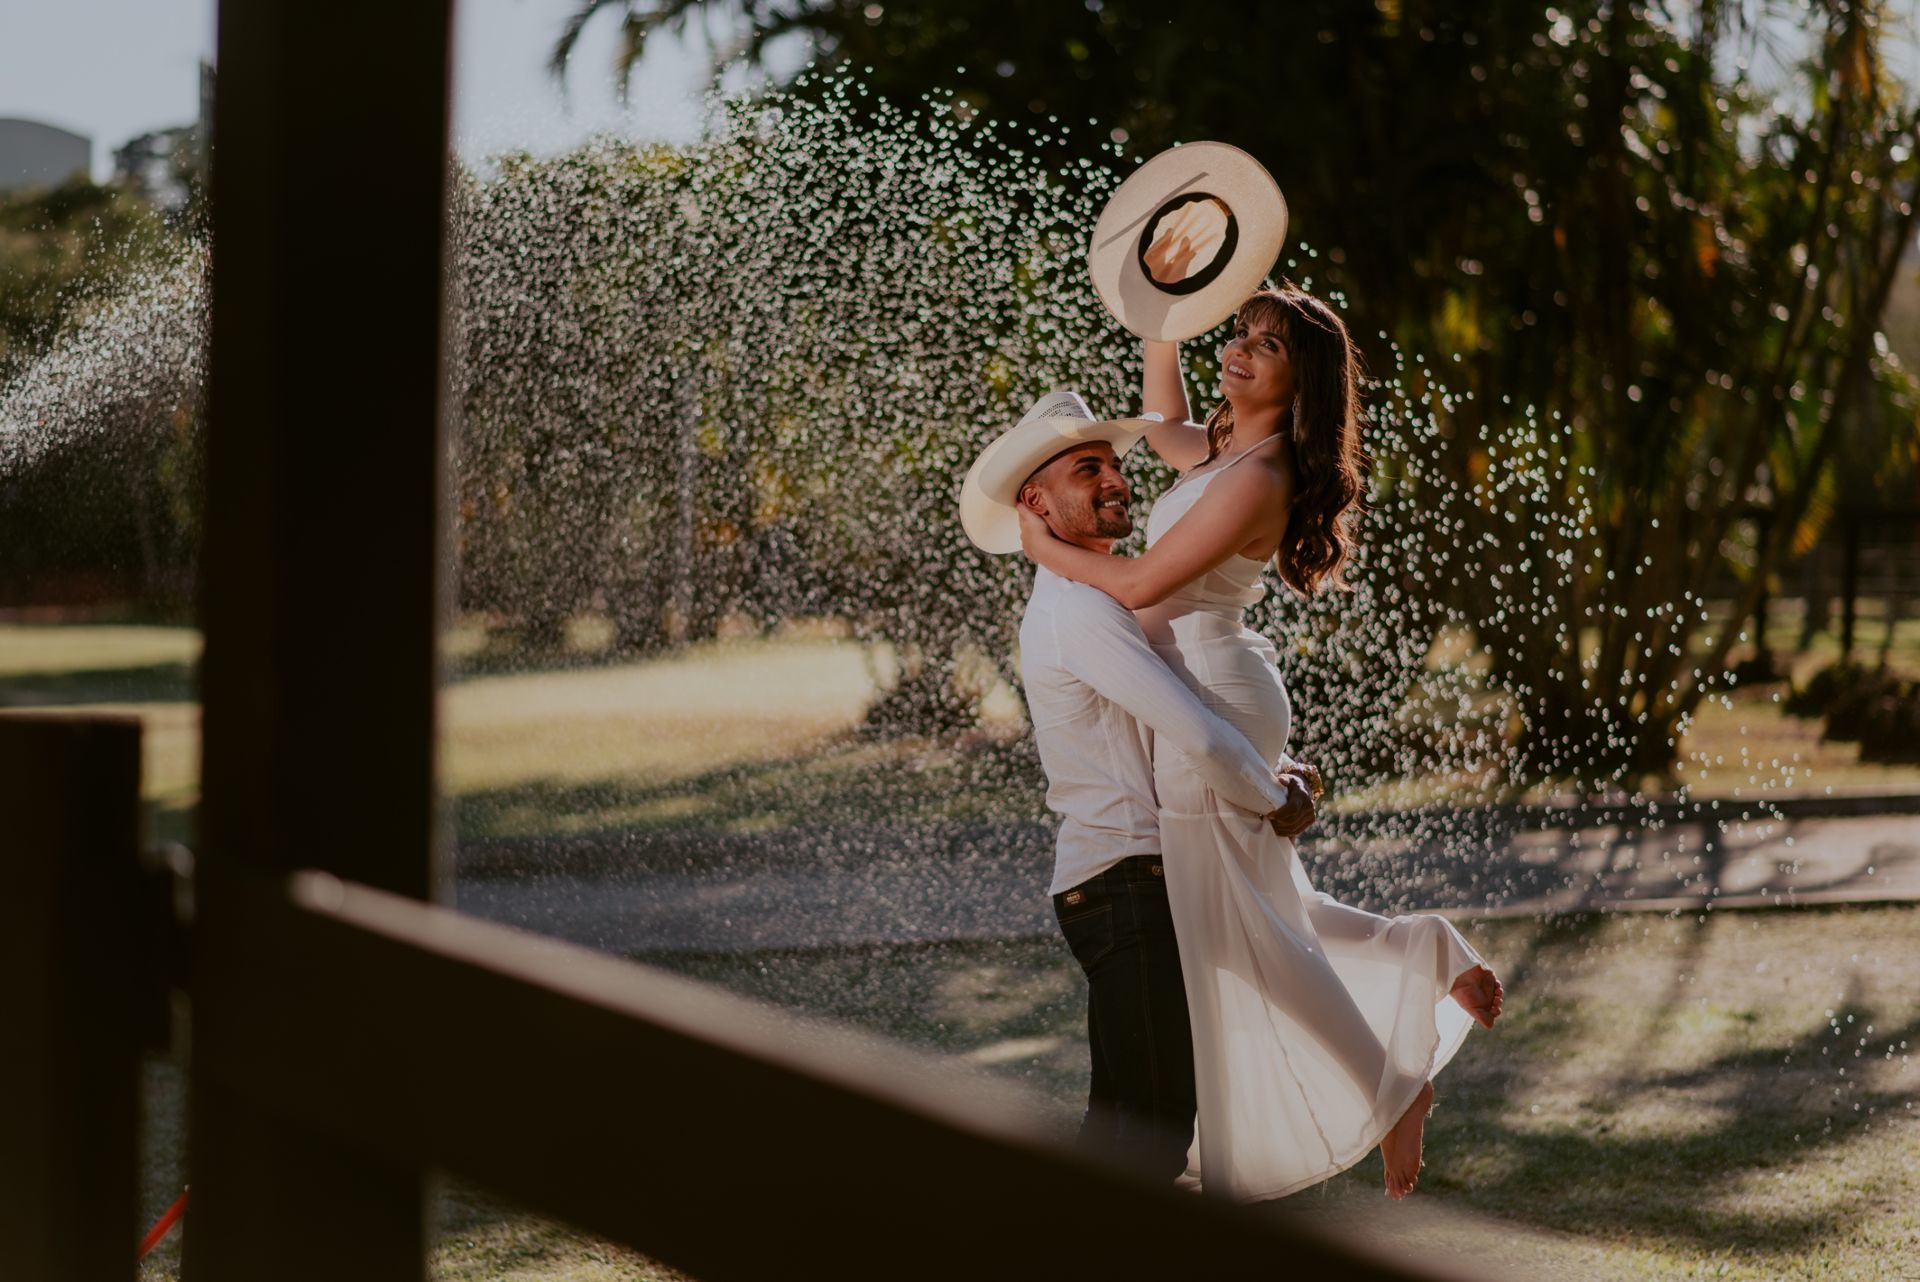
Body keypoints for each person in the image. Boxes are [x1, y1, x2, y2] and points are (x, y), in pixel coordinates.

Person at [1016, 285, 1504, 1201]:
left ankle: (1394, 1087)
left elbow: (1144, 578)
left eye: (1266, 346)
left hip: (1209, 689)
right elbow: (1162, 420)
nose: (1239, 350)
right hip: (1213, 683)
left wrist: (1045, 550)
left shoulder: (1260, 471)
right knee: (1256, 909)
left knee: (1243, 929)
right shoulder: (1227, 447)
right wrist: (1157, 305)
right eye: (1239, 334)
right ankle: (1422, 951)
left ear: (1300, 378)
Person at [974, 392, 1323, 1183]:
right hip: (1124, 884)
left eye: (1116, 467)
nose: (1116, 482)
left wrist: (1273, 771)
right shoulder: (1076, 611)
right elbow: (1195, 733)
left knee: (1137, 1131)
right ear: (1036, 502)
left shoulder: (1095, 598)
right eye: (1086, 468)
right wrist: (1276, 803)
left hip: (1132, 882)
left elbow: (1197, 702)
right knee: (1150, 1136)